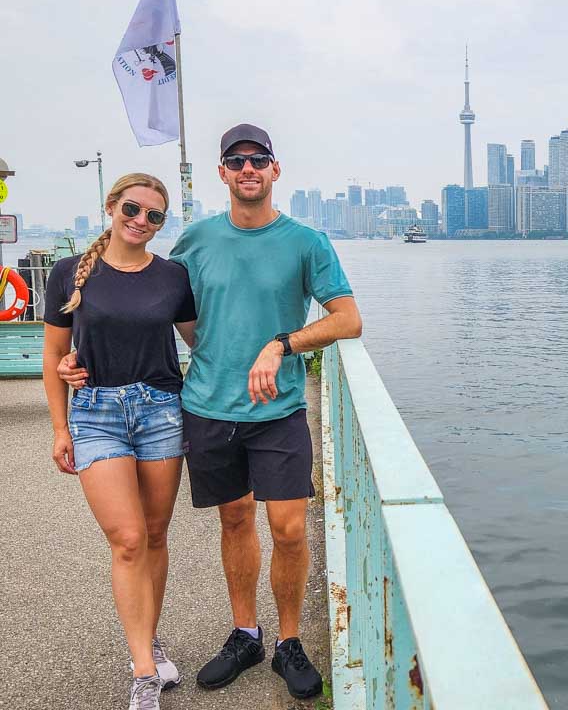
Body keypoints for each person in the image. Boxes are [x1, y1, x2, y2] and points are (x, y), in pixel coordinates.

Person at [65, 123, 362, 699]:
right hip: (208, 406)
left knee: (290, 527)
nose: (248, 169)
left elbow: (347, 319)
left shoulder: (306, 242)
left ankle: (289, 642)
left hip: (277, 409)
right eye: (236, 161)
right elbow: (152, 304)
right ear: (222, 174)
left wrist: (281, 343)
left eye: (259, 160)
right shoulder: (196, 241)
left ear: (276, 171)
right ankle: (246, 634)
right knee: (233, 520)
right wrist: (81, 356)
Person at [43, 173, 196, 710]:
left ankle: (148, 640)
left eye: (155, 216)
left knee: (155, 535)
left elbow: (202, 343)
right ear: (112, 206)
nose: (141, 221)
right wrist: (60, 427)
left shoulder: (173, 276)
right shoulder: (68, 274)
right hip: (96, 414)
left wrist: (271, 346)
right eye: (133, 209)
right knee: (128, 538)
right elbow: (54, 354)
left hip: (160, 411)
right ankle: (144, 673)